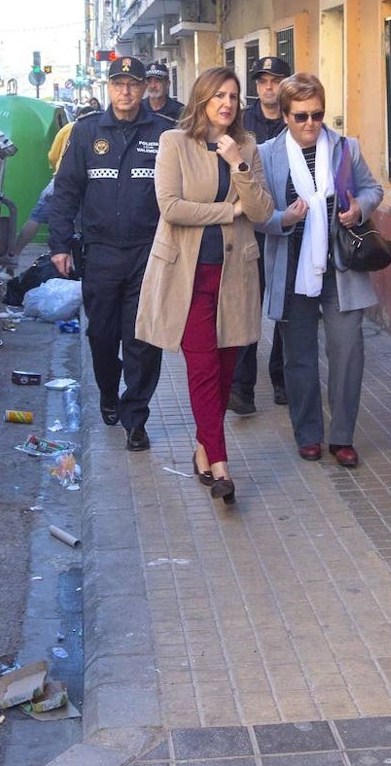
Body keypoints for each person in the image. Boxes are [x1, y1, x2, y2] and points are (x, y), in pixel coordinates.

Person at [136, 66, 273, 503]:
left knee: (227, 369)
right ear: (202, 101)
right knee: (203, 369)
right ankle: (220, 463)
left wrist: (237, 164)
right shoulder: (175, 142)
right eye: (218, 96)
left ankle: (201, 447)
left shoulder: (247, 146)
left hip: (235, 275)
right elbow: (171, 207)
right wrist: (225, 212)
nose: (227, 103)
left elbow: (262, 210)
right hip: (188, 275)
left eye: (233, 96)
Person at [49, 56, 176, 452]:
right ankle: (108, 391)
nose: (126, 90)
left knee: (143, 339)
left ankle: (135, 417)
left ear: (144, 89)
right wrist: (58, 244)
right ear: (109, 87)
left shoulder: (165, 133)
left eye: (133, 84)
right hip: (101, 253)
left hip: (149, 254)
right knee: (102, 336)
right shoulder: (87, 133)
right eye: (118, 83)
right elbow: (65, 191)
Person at [256, 73, 383, 467]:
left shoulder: (347, 148)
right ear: (285, 115)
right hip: (292, 268)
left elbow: (373, 189)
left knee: (348, 352)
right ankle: (308, 433)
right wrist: (284, 218)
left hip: (341, 268)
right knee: (299, 357)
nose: (310, 124)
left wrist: (359, 208)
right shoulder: (267, 154)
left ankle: (342, 435)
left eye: (317, 114)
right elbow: (258, 213)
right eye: (301, 116)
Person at [229, 55, 293, 414]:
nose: (268, 87)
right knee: (247, 310)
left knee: (285, 311)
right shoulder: (242, 124)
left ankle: (282, 379)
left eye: (275, 80)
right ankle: (242, 389)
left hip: (286, 228)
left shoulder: (297, 119)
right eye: (262, 81)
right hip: (249, 231)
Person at [9, 119, 75, 258]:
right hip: (88, 182)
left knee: (37, 216)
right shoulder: (99, 130)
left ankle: (14, 254)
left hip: (61, 179)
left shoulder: (68, 128)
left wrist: (56, 167)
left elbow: (53, 155)